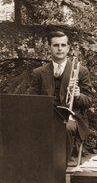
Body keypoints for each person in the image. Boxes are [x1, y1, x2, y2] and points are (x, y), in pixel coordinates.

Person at [30, 30, 93, 163]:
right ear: (49, 48)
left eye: (63, 45)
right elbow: (33, 100)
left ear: (68, 48)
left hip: (71, 118)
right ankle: (37, 171)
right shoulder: (39, 73)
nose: (60, 48)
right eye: (56, 45)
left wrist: (78, 95)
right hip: (46, 116)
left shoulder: (81, 71)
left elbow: (88, 101)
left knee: (65, 128)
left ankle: (58, 172)